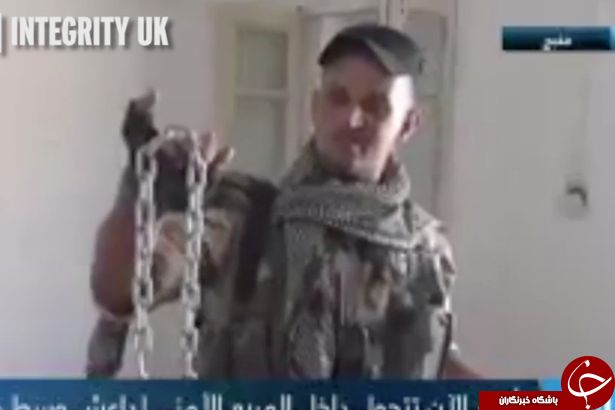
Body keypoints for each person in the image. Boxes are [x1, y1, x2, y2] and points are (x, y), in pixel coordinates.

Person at [86, 23, 480, 379]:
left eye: (376, 106)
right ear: (315, 108)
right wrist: (137, 194)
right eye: (338, 98)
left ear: (408, 124)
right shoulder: (245, 218)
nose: (352, 119)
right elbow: (118, 291)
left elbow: (435, 361)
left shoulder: (424, 246)